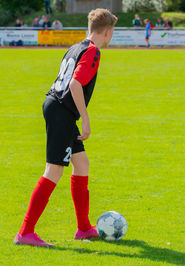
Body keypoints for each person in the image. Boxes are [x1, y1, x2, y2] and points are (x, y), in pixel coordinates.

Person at [14, 8, 118, 247]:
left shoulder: (76, 46)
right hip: (62, 110)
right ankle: (25, 232)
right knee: (54, 170)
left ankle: (83, 228)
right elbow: (74, 84)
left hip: (57, 107)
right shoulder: (92, 52)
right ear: (108, 32)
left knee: (81, 164)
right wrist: (86, 117)